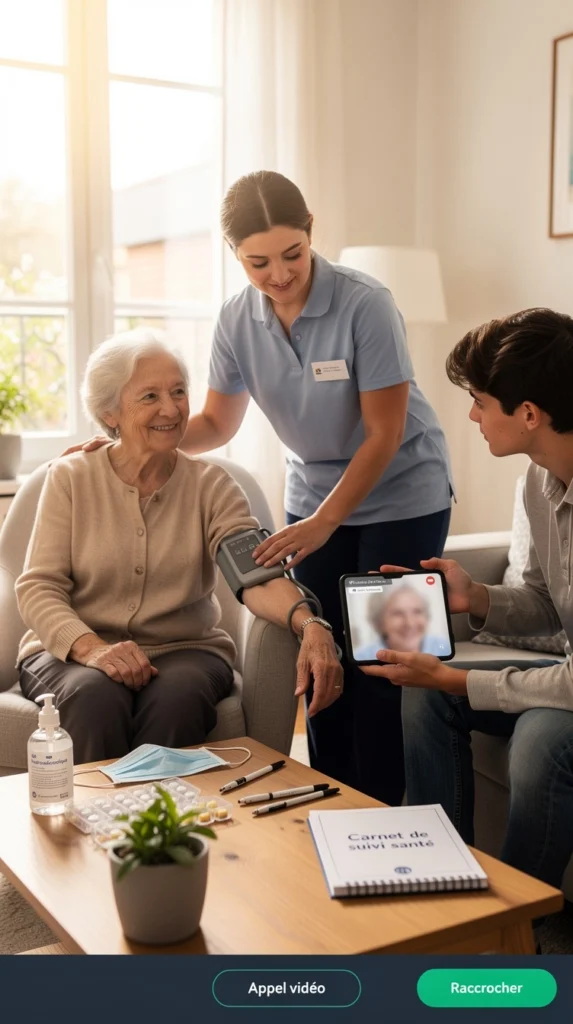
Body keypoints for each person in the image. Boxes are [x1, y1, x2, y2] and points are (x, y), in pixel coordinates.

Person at [67, 170, 453, 804]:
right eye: (258, 261)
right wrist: (127, 442)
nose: (279, 273)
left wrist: (325, 523)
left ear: (310, 232)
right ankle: (331, 804)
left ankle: (389, 818)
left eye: (292, 254)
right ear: (235, 255)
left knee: (392, 667)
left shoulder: (366, 303)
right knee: (318, 660)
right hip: (313, 502)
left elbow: (383, 435)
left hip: (404, 497)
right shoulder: (236, 321)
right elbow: (217, 422)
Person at [17, 330, 342, 764]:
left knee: (177, 700)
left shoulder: (212, 486)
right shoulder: (70, 478)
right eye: (149, 396)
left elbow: (257, 574)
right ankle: (99, 828)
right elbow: (38, 586)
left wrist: (311, 625)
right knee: (94, 696)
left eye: (178, 392)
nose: (170, 409)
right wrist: (93, 648)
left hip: (185, 652)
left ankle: (168, 828)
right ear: (109, 411)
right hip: (71, 652)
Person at [363, 307, 573, 891]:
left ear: (528, 414)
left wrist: (455, 680)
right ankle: (438, 887)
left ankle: (512, 927)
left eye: (481, 400)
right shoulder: (539, 476)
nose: (473, 414)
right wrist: (476, 597)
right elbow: (546, 602)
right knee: (422, 699)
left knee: (539, 743)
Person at [353, 585, 448, 661]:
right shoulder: (363, 657)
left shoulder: (443, 646)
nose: (410, 623)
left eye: (417, 611)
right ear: (379, 622)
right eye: (397, 614)